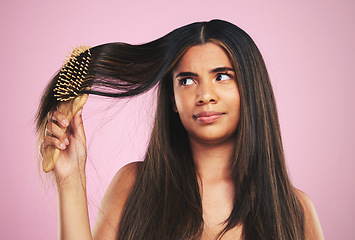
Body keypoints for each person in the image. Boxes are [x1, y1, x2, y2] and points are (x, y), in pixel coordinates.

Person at [37, 20, 324, 240]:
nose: (205, 95)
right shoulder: (134, 185)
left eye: (222, 76)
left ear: (250, 88)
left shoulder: (295, 209)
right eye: (187, 80)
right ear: (172, 100)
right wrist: (70, 180)